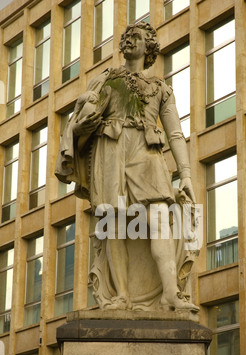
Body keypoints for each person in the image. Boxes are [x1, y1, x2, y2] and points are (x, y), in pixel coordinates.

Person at [55, 22, 199, 313]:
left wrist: (185, 174)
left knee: (159, 218)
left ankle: (170, 293)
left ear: (149, 48)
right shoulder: (105, 81)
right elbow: (80, 121)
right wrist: (79, 126)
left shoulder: (161, 89)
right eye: (127, 36)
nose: (129, 39)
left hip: (148, 154)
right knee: (114, 225)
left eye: (137, 37)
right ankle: (121, 295)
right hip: (111, 152)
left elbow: (174, 134)